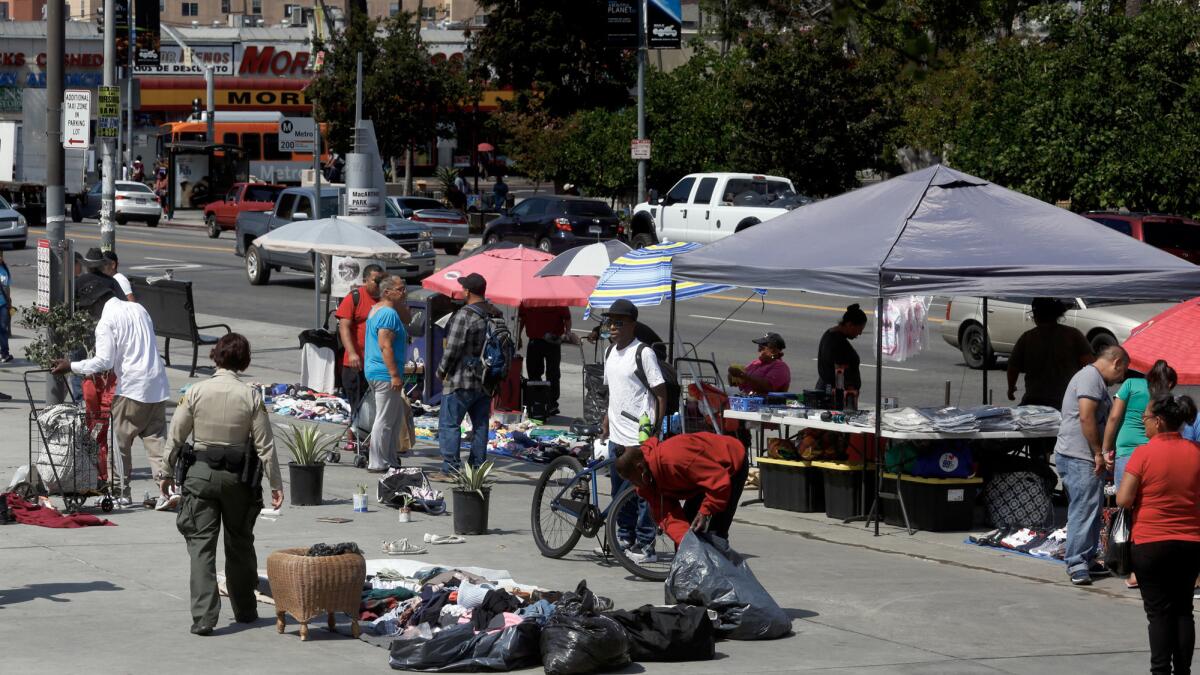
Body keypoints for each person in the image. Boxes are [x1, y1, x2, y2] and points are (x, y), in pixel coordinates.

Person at [161, 333, 284, 636]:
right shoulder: (251, 396)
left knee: (201, 547)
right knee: (240, 543)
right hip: (239, 480)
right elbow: (265, 445)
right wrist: (276, 484)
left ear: (215, 356)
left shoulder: (195, 391)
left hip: (200, 477)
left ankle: (203, 618)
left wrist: (164, 472)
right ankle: (245, 609)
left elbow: (176, 435)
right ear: (244, 361)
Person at [51, 277, 171, 505]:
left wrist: (71, 366)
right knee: (156, 442)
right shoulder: (138, 308)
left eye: (88, 309)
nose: (89, 314)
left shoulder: (106, 322)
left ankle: (119, 494)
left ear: (95, 303)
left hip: (131, 387)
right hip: (157, 384)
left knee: (119, 443)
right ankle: (167, 490)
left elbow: (104, 362)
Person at [1116, 395, 1200, 674]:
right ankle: (1184, 671)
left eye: (1147, 418)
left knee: (1158, 613)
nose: (1144, 422)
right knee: (1183, 610)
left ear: (1160, 421)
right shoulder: (1196, 451)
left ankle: (1160, 670)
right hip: (1190, 542)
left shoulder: (1143, 453)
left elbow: (1124, 499)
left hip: (1151, 542)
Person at [1054, 345, 1129, 586]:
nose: (1121, 378)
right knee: (1084, 509)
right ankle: (1076, 562)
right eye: (1122, 372)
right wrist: (1098, 452)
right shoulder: (1090, 378)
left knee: (1091, 509)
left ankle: (1086, 558)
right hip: (1079, 456)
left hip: (1082, 456)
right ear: (1116, 362)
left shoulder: (1093, 379)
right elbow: (1086, 416)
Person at [600, 298, 667, 563]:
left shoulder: (643, 353)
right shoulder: (609, 352)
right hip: (616, 435)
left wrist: (656, 430)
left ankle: (646, 547)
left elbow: (660, 394)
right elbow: (612, 392)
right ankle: (624, 540)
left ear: (632, 325)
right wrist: (606, 420)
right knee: (619, 492)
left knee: (641, 493)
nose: (613, 327)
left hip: (638, 436)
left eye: (619, 323)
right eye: (610, 322)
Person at [1104, 359, 1177, 589]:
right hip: (1155, 454)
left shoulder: (1131, 385)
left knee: (1127, 511)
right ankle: (1157, 566)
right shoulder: (1166, 395)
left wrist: (1105, 449)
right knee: (1150, 510)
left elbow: (1114, 418)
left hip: (1126, 453)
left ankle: (1134, 570)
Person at [616, 431, 749, 545]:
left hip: (730, 465)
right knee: (691, 533)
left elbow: (719, 482)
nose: (634, 485)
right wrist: (686, 544)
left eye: (632, 480)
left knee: (715, 535)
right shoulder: (646, 483)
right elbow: (668, 516)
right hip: (699, 480)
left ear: (640, 469)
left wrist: (705, 511)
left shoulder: (675, 458)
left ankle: (722, 572)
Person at [434, 273, 493, 479]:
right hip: (486, 380)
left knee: (449, 424)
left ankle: (450, 468)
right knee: (480, 425)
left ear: (467, 291)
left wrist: (441, 371)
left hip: (460, 379)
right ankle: (477, 469)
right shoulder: (494, 314)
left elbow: (453, 349)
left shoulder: (464, 315)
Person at [1006, 298, 1094, 408]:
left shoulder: (1027, 338)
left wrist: (1011, 389)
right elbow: (1089, 365)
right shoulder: (1073, 335)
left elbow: (1013, 367)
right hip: (1067, 401)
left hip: (1035, 401)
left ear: (1036, 316)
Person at [363, 275, 410, 472]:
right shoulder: (388, 314)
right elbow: (385, 345)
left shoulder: (379, 310)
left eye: (404, 288)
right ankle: (378, 461)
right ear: (387, 292)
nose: (403, 292)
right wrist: (394, 374)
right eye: (399, 289)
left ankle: (389, 458)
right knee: (384, 419)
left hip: (377, 371)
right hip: (384, 373)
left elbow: (407, 318)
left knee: (394, 419)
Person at [334, 264, 387, 413]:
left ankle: (367, 435)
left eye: (382, 281)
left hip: (378, 366)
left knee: (377, 410)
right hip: (357, 365)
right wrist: (351, 353)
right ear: (365, 280)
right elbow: (343, 327)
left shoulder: (386, 300)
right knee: (359, 409)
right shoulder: (355, 298)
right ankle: (356, 435)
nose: (379, 285)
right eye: (376, 280)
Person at [518, 304, 571, 416]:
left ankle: (552, 403)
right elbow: (522, 318)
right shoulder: (527, 300)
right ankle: (537, 401)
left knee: (553, 374)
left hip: (553, 340)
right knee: (533, 372)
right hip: (534, 340)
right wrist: (518, 336)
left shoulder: (557, 299)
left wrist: (568, 333)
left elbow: (567, 318)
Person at [816, 304, 868, 395]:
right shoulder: (837, 342)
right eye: (859, 329)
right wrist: (849, 394)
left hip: (828, 389)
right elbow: (840, 373)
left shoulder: (831, 334)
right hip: (834, 395)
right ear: (849, 324)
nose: (860, 333)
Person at [729, 332, 791, 396]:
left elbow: (767, 387)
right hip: (746, 397)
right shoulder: (756, 363)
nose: (758, 350)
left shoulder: (780, 367)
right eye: (759, 347)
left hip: (763, 403)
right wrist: (734, 377)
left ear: (774, 350)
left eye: (762, 348)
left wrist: (742, 375)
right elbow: (739, 383)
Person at [0, 249, 12, 363]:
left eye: (1, 256)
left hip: (3, 304)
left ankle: (5, 353)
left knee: (3, 329)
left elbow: (7, 287)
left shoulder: (5, 270)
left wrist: (9, 302)